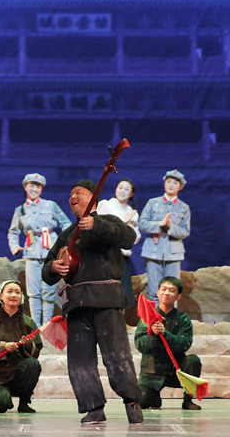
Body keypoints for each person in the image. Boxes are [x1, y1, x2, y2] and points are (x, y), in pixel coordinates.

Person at [42, 180, 143, 426]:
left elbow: (128, 238)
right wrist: (53, 267)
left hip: (106, 299)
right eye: (70, 193)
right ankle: (93, 408)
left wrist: (96, 225)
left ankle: (132, 401)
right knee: (80, 361)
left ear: (93, 198)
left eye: (78, 192)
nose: (72, 196)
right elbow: (47, 270)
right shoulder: (67, 234)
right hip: (77, 304)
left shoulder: (107, 221)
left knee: (117, 356)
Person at [7, 173, 72, 325]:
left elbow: (66, 223)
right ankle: (36, 327)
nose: (34, 189)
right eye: (31, 185)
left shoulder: (50, 205)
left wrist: (64, 244)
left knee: (48, 291)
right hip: (31, 252)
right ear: (26, 187)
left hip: (51, 251)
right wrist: (15, 246)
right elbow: (13, 231)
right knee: (34, 292)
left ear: (41, 189)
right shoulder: (20, 210)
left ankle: (47, 326)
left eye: (38, 186)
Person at [0, 280, 42, 414]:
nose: (13, 295)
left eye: (17, 292)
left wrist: (28, 345)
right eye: (9, 292)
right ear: (1, 296)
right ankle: (3, 398)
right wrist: (2, 346)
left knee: (33, 364)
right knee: (0, 405)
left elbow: (36, 352)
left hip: (19, 374)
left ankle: (24, 402)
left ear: (21, 297)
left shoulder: (28, 322)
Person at [134, 277, 202, 411]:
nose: (167, 293)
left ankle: (188, 400)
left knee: (193, 360)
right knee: (141, 402)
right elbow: (140, 344)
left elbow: (184, 344)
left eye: (172, 290)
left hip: (175, 370)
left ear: (178, 296)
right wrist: (153, 336)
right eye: (164, 289)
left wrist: (166, 334)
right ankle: (154, 397)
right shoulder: (147, 317)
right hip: (152, 372)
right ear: (158, 293)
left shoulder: (183, 318)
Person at [138, 170, 191, 300]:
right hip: (153, 251)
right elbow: (142, 223)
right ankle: (155, 314)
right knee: (155, 292)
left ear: (180, 186)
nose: (171, 185)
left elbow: (185, 231)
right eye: (169, 181)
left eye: (175, 183)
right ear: (164, 183)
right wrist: (159, 224)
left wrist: (170, 226)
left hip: (173, 253)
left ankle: (170, 314)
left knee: (172, 291)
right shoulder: (152, 203)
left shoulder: (183, 207)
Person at [96, 178, 140, 308]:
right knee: (105, 291)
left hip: (122, 256)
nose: (122, 191)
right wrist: (123, 222)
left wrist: (127, 224)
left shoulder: (132, 212)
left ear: (131, 194)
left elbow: (135, 238)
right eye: (120, 187)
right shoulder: (106, 205)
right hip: (106, 254)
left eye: (127, 189)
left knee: (122, 294)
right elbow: (102, 228)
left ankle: (120, 320)